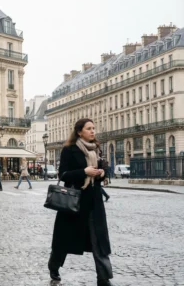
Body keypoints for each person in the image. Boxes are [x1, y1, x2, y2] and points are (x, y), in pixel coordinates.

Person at [48, 118, 113, 286]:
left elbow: (103, 172)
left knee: (99, 242)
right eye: (89, 128)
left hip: (94, 202)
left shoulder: (96, 148)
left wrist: (101, 174)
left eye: (93, 128)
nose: (93, 131)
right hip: (74, 202)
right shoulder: (69, 150)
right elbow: (63, 175)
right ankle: (54, 266)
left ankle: (103, 279)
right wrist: (84, 171)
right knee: (63, 240)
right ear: (79, 131)